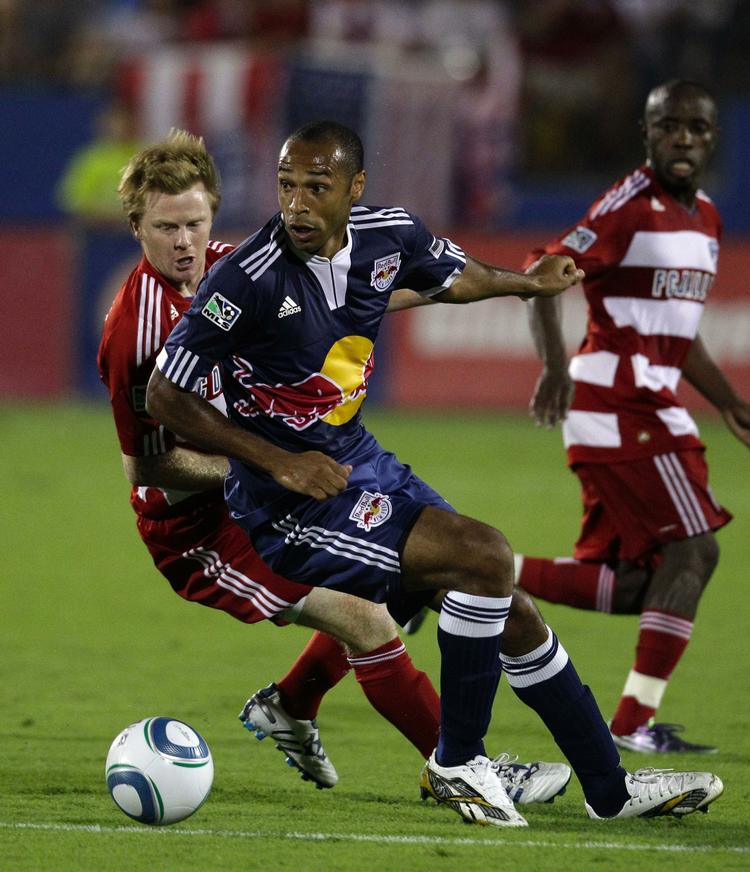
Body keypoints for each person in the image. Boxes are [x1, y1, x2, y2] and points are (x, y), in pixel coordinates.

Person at [146, 119, 724, 826]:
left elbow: (456, 278)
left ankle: (611, 789)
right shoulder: (249, 278)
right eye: (285, 184)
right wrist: (278, 462)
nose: (295, 204)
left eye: (315, 187)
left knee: (506, 600)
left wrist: (527, 285)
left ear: (353, 190)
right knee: (483, 556)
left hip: (359, 462)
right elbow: (165, 397)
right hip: (289, 507)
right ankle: (457, 760)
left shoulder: (391, 234)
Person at [97, 128, 569, 804]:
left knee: (410, 574)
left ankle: (291, 702)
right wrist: (265, 467)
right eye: (166, 227)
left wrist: (489, 287)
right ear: (136, 226)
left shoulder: (237, 268)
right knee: (368, 619)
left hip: (268, 486)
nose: (184, 242)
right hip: (198, 529)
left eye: (195, 223)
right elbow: (146, 471)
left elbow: (349, 300)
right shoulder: (132, 333)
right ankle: (467, 770)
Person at [517, 79, 750, 753]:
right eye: (669, 126)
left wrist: (728, 399)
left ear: (713, 138)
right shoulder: (628, 205)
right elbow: (548, 268)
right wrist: (555, 367)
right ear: (646, 135)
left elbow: (679, 331)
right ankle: (632, 724)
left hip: (652, 403)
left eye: (697, 128)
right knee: (695, 548)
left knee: (641, 585)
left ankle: (481, 572)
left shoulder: (705, 216)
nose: (683, 138)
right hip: (617, 402)